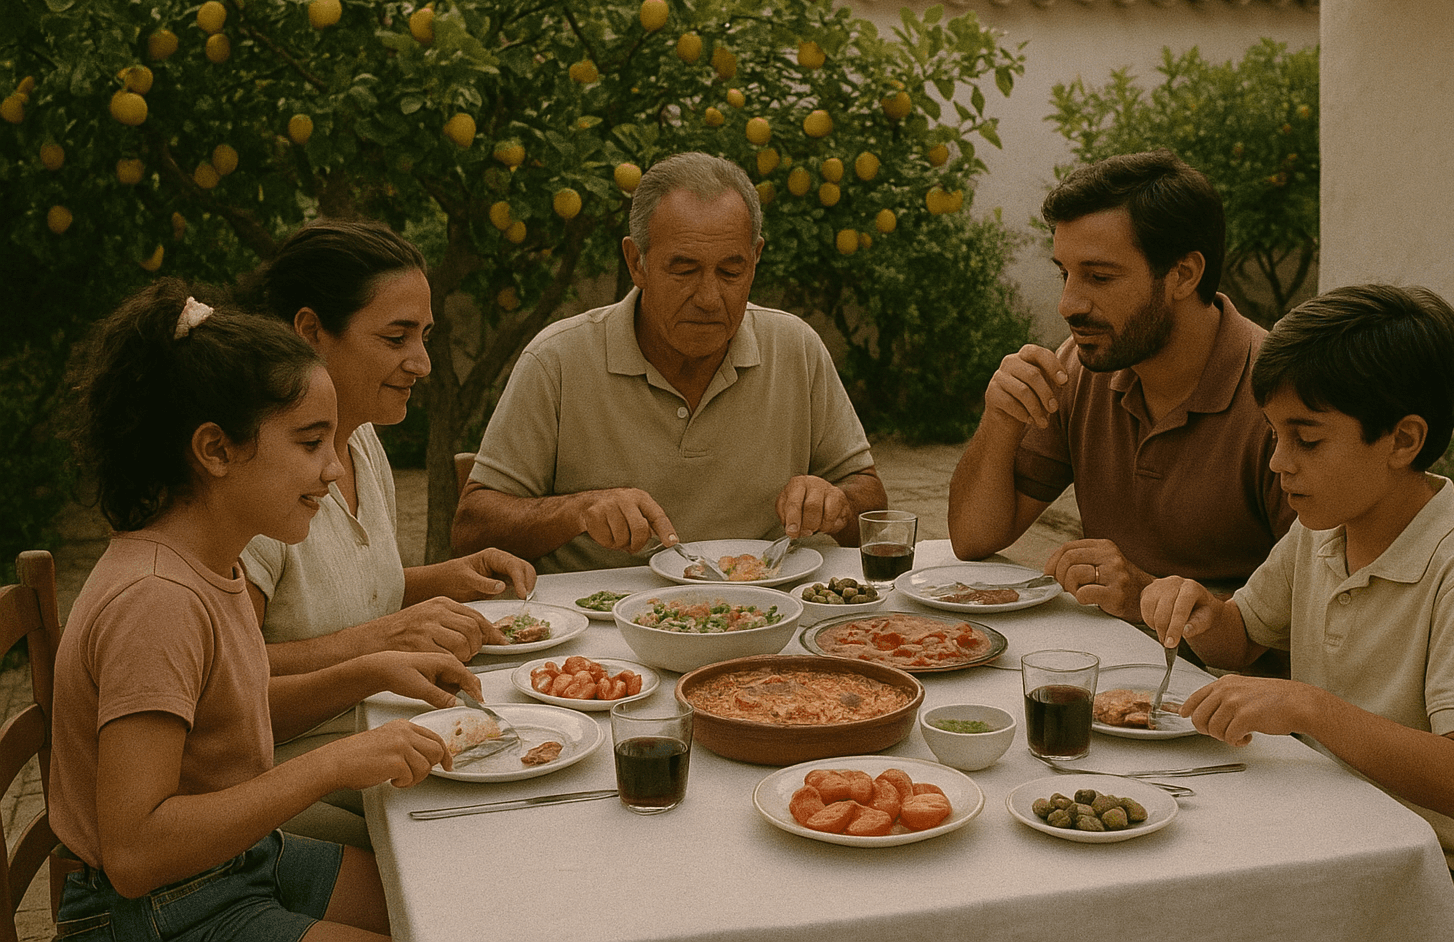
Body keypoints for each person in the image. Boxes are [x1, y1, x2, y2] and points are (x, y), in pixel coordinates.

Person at [52, 281, 476, 941]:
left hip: (237, 861)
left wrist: (372, 670)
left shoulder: (211, 564)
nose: (335, 470)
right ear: (216, 450)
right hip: (156, 910)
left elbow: (225, 720)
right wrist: (333, 763)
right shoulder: (155, 602)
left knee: (449, 905)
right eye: (310, 443)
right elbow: (135, 855)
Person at [1140, 284, 1454, 942]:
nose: (1278, 462)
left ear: (1402, 440)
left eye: (1306, 440)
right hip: (1324, 824)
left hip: (1430, 870)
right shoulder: (1323, 529)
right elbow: (1240, 639)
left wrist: (1312, 708)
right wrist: (1202, 610)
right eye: (1274, 434)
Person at [241, 219, 536, 843]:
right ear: (310, 332)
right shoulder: (255, 479)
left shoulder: (363, 440)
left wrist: (438, 580)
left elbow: (331, 597)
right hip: (281, 777)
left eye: (425, 336)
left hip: (379, 736)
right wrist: (377, 644)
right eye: (396, 337)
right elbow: (227, 684)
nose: (423, 363)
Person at [453, 152, 887, 573]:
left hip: (766, 612)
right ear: (635, 262)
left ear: (755, 259)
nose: (708, 297)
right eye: (684, 270)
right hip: (600, 630)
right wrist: (577, 510)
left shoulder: (795, 347)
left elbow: (871, 502)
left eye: (730, 272)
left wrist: (837, 503)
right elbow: (471, 530)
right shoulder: (558, 361)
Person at [948, 149, 1291, 622]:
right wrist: (999, 421)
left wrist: (1143, 595)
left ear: (1183, 275)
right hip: (1111, 662)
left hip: (1229, 683)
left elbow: (1318, 617)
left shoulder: (1282, 399)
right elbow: (973, 539)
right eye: (1064, 274)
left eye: (1099, 276)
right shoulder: (1081, 366)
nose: (1068, 304)